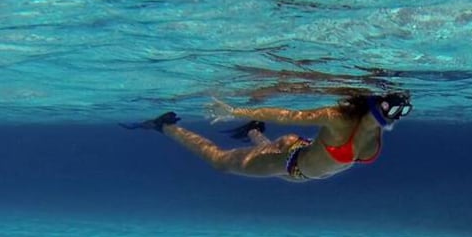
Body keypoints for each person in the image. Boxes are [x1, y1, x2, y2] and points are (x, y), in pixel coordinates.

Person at [121, 91, 412, 181]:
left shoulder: (375, 131)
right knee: (219, 161)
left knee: (271, 148)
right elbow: (287, 115)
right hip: (290, 164)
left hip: (297, 153)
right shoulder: (338, 118)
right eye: (392, 112)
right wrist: (233, 109)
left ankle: (253, 131)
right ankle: (165, 126)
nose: (394, 119)